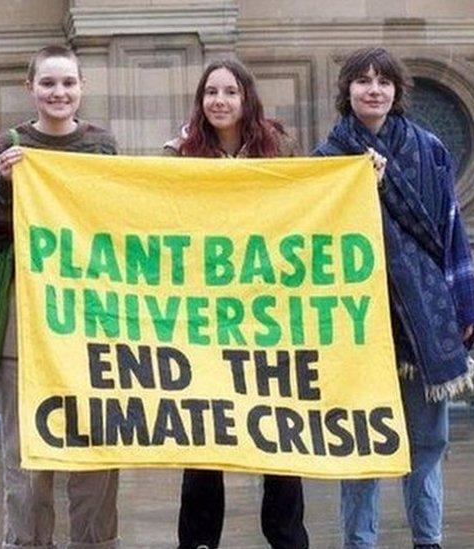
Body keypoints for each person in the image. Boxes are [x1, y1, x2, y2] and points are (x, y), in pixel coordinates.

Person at [312, 47, 474, 549]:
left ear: (396, 91)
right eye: (362, 81)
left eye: (383, 81)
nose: (373, 89)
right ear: (347, 91)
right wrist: (360, 187)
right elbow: (317, 239)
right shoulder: (327, 160)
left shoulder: (430, 150)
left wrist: (466, 305)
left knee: (428, 444)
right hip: (359, 323)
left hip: (425, 321)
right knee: (361, 445)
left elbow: (451, 230)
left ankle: (428, 540)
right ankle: (359, 543)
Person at [163, 59, 309, 549]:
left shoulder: (281, 149)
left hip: (269, 317)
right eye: (211, 92)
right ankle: (199, 541)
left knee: (279, 438)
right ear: (200, 101)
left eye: (229, 91)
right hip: (205, 322)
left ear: (246, 97)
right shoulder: (181, 155)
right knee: (203, 438)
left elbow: (315, 200)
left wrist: (364, 173)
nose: (219, 101)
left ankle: (288, 539)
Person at [0, 45, 120, 549]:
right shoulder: (8, 145)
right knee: (25, 454)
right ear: (31, 88)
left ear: (81, 87)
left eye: (67, 83)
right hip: (26, 323)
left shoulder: (103, 146)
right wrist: (5, 185)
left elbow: (122, 225)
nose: (58, 93)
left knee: (98, 447)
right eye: (48, 84)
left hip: (93, 323)